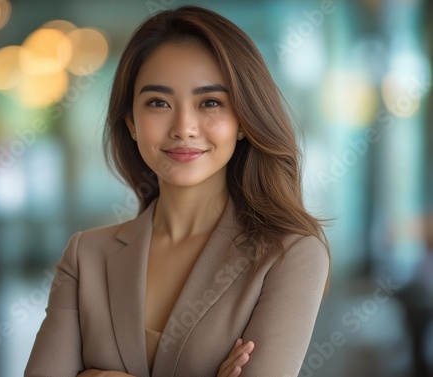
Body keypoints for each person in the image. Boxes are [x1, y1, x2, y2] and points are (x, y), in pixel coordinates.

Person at [24, 5, 330, 377]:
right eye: (158, 102)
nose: (184, 127)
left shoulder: (291, 254)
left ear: (243, 121)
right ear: (132, 123)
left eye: (211, 102)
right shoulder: (85, 255)